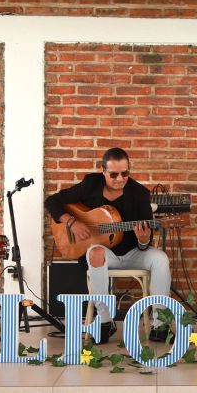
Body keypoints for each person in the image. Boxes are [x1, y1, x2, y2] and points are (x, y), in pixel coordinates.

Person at [45, 147, 172, 343]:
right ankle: (105, 321)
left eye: (125, 173)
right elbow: (52, 201)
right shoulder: (90, 184)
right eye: (114, 174)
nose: (120, 179)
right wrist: (72, 222)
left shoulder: (139, 194)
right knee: (95, 252)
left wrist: (143, 239)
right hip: (103, 254)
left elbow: (145, 243)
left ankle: (160, 324)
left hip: (133, 252)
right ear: (103, 171)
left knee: (161, 259)